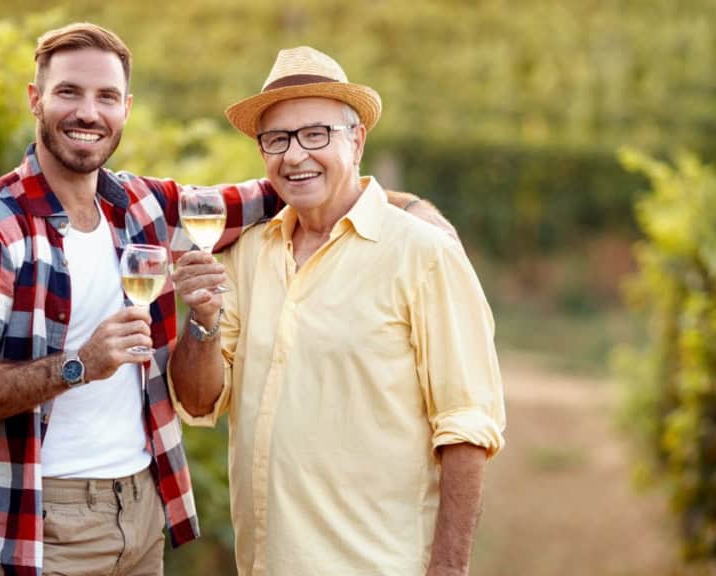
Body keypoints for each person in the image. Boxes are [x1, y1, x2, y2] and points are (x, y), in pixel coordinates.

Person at [0, 24, 446, 575]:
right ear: (36, 99)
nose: (88, 113)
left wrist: (405, 210)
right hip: (43, 519)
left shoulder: (141, 207)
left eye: (106, 97)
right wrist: (78, 365)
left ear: (125, 108)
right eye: (69, 92)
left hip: (143, 510)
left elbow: (284, 189)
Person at [169, 46, 506, 576]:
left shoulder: (424, 254)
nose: (294, 155)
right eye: (277, 139)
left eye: (315, 134)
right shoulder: (246, 254)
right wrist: (202, 321)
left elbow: (467, 426)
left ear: (357, 140)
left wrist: (448, 569)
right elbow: (199, 400)